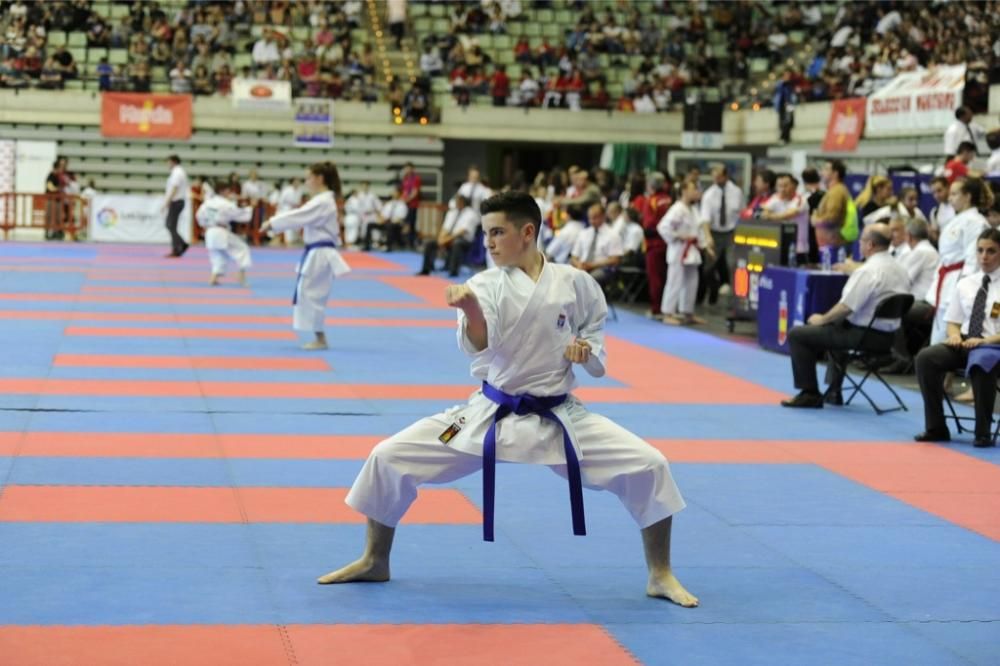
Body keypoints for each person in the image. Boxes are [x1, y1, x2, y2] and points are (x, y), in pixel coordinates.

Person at [317, 191, 698, 608]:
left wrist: (585, 351)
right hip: (488, 414)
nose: (489, 243)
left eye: (497, 232)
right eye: (486, 234)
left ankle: (660, 573)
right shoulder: (483, 284)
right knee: (388, 456)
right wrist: (471, 310)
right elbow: (480, 341)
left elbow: (593, 329)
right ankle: (375, 558)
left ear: (528, 232)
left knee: (650, 464)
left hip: (559, 415)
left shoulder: (575, 282)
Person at [781, 223, 910, 408]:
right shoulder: (900, 269)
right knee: (838, 325)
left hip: (863, 336)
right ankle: (834, 391)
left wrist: (821, 319)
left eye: (862, 240)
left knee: (798, 334)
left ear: (870, 245)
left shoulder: (868, 271)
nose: (859, 243)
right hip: (889, 338)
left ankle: (809, 393)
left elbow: (846, 307)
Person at [914, 228, 1000, 448]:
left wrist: (985, 342)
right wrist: (953, 336)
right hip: (966, 341)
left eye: (991, 251)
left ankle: (983, 432)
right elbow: (953, 320)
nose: (984, 256)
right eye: (980, 250)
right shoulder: (966, 283)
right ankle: (936, 427)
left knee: (982, 361)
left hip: (994, 345)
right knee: (926, 357)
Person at [260, 162, 351, 351]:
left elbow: (300, 215)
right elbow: (301, 216)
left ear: (319, 178)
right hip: (316, 252)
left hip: (320, 253)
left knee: (312, 294)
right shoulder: (323, 199)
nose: (306, 181)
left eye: (309, 177)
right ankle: (319, 336)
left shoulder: (323, 201)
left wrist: (272, 223)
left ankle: (320, 338)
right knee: (308, 293)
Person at [927, 177, 992, 344]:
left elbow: (974, 260)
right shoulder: (959, 219)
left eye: (954, 194)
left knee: (948, 336)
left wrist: (965, 289)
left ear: (968, 196)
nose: (949, 198)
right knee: (939, 333)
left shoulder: (975, 222)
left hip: (958, 281)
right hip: (947, 279)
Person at [884, 218, 940, 374]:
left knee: (891, 311)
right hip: (922, 302)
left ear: (908, 235)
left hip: (925, 305)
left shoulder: (921, 252)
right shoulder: (926, 250)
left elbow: (901, 280)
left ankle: (900, 358)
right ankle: (888, 356)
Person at [658, 180, 711, 326]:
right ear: (684, 191)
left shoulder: (693, 209)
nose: (696, 192)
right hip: (678, 249)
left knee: (692, 281)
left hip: (691, 250)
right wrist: (679, 236)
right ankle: (667, 313)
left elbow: (698, 230)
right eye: (694, 189)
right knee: (674, 281)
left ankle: (687, 312)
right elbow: (663, 227)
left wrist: (705, 245)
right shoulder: (677, 209)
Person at [698, 165, 743, 304]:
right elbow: (705, 218)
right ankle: (713, 289)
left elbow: (741, 213)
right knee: (708, 268)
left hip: (732, 233)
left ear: (725, 176)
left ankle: (737, 299)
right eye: (713, 176)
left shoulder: (736, 191)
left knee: (733, 264)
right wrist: (708, 237)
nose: (715, 179)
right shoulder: (709, 194)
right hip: (715, 232)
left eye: (718, 177)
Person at [196, 183, 253, 287]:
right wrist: (250, 208)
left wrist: (204, 225)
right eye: (228, 191)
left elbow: (199, 216)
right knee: (242, 249)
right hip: (220, 231)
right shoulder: (225, 204)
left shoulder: (207, 202)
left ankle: (213, 278)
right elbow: (240, 215)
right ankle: (241, 275)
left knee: (217, 255)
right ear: (222, 191)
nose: (230, 193)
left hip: (209, 232)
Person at [418, 194, 480, 276]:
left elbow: (462, 231)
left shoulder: (471, 214)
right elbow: (445, 228)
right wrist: (440, 239)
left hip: (464, 240)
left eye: (458, 201)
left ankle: (453, 271)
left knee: (456, 243)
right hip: (449, 238)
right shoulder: (452, 212)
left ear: (463, 202)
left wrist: (447, 240)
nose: (456, 203)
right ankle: (426, 269)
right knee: (430, 244)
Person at [569, 203, 623, 287]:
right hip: (583, 266)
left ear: (603, 217)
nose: (591, 221)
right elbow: (574, 257)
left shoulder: (613, 235)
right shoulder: (584, 233)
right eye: (590, 218)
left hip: (602, 268)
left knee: (588, 279)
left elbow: (615, 260)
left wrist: (592, 265)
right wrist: (578, 264)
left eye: (595, 218)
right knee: (566, 276)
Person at [761, 173, 810, 265]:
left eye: (786, 186)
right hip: (780, 247)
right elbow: (763, 212)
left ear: (793, 186)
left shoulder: (800, 200)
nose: (782, 189)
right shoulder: (775, 198)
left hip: (798, 249)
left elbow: (787, 215)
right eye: (779, 186)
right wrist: (768, 214)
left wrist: (771, 216)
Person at [810, 160, 850, 257]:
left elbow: (832, 218)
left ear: (835, 173)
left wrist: (814, 219)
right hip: (828, 246)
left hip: (832, 246)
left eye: (826, 169)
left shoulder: (837, 192)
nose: (822, 172)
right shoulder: (833, 191)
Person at [365, 186, 408, 251]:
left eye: (395, 192)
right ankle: (367, 246)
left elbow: (400, 218)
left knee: (390, 225)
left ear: (399, 193)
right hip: (386, 222)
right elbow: (383, 215)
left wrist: (389, 221)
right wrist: (380, 220)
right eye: (393, 192)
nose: (393, 193)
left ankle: (388, 246)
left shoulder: (402, 205)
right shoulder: (389, 204)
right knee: (370, 224)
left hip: (396, 224)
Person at [162, 155, 189, 258]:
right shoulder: (178, 172)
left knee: (170, 225)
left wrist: (167, 202)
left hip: (176, 201)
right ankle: (179, 246)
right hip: (177, 201)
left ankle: (179, 246)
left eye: (168, 162)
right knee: (171, 225)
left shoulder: (177, 173)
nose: (167, 164)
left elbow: (174, 188)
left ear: (173, 162)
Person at [343, 181, 381, 248]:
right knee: (362, 231)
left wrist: (378, 214)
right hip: (362, 215)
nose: (365, 187)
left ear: (368, 186)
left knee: (374, 230)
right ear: (361, 186)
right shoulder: (358, 196)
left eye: (366, 186)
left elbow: (378, 206)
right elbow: (355, 206)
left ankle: (375, 242)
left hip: (371, 215)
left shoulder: (373, 195)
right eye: (363, 186)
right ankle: (364, 243)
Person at [275, 177, 304, 245]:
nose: (297, 183)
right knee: (288, 226)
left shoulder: (300, 190)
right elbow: (281, 201)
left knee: (298, 225)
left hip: (296, 209)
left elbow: (298, 202)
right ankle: (288, 240)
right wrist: (279, 211)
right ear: (292, 182)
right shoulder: (287, 190)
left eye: (298, 182)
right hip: (286, 209)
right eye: (296, 181)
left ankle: (295, 239)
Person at [927, 176, 955, 244]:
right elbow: (936, 238)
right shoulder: (934, 212)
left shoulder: (959, 208)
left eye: (939, 190)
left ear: (948, 187)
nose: (936, 195)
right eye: (933, 192)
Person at [400, 162, 422, 248]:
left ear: (412, 169)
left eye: (409, 168)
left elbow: (415, 192)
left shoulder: (416, 178)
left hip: (413, 205)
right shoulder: (405, 178)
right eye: (406, 168)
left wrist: (407, 199)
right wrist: (402, 199)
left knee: (411, 224)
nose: (407, 170)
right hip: (405, 205)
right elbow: (404, 191)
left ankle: (412, 243)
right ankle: (405, 241)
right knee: (405, 223)